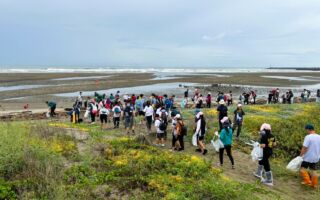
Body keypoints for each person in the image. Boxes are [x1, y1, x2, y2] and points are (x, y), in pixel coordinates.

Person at [299, 124, 320, 188]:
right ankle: (314, 184)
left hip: (308, 157)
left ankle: (307, 181)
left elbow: (305, 147)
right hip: (316, 157)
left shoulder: (308, 137)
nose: (306, 131)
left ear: (308, 129)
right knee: (313, 170)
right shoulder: (319, 136)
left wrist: (300, 155)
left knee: (302, 169)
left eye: (306, 130)